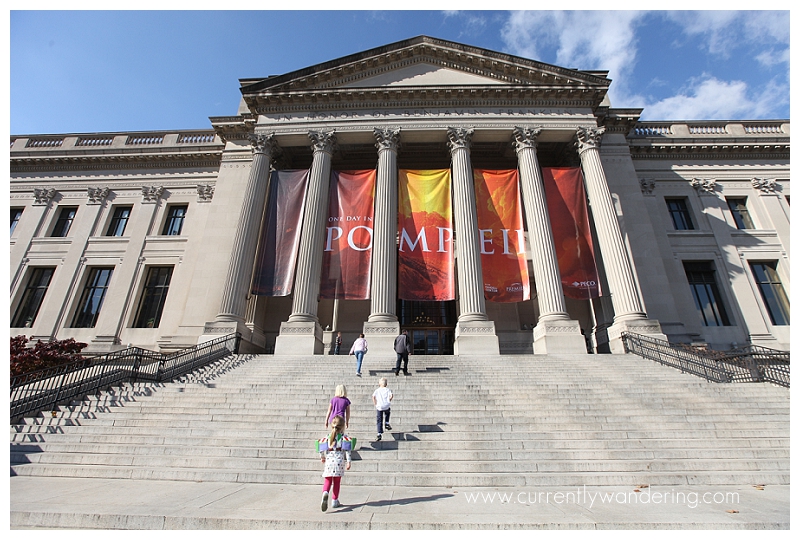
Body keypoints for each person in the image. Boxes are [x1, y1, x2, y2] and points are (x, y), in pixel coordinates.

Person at [319, 415, 352, 511]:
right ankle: (334, 500)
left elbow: (321, 448)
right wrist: (349, 462)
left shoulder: (327, 437)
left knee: (328, 480)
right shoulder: (344, 438)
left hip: (329, 461)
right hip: (339, 461)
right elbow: (348, 451)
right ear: (342, 427)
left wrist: (322, 457)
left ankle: (325, 492)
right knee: (337, 482)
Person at [371, 377, 393, 442]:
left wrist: (375, 403)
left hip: (379, 406)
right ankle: (386, 422)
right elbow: (391, 395)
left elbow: (373, 396)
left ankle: (379, 433)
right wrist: (389, 400)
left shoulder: (377, 390)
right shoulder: (388, 390)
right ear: (386, 384)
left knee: (379, 420)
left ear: (379, 384)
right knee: (387, 412)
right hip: (386, 405)